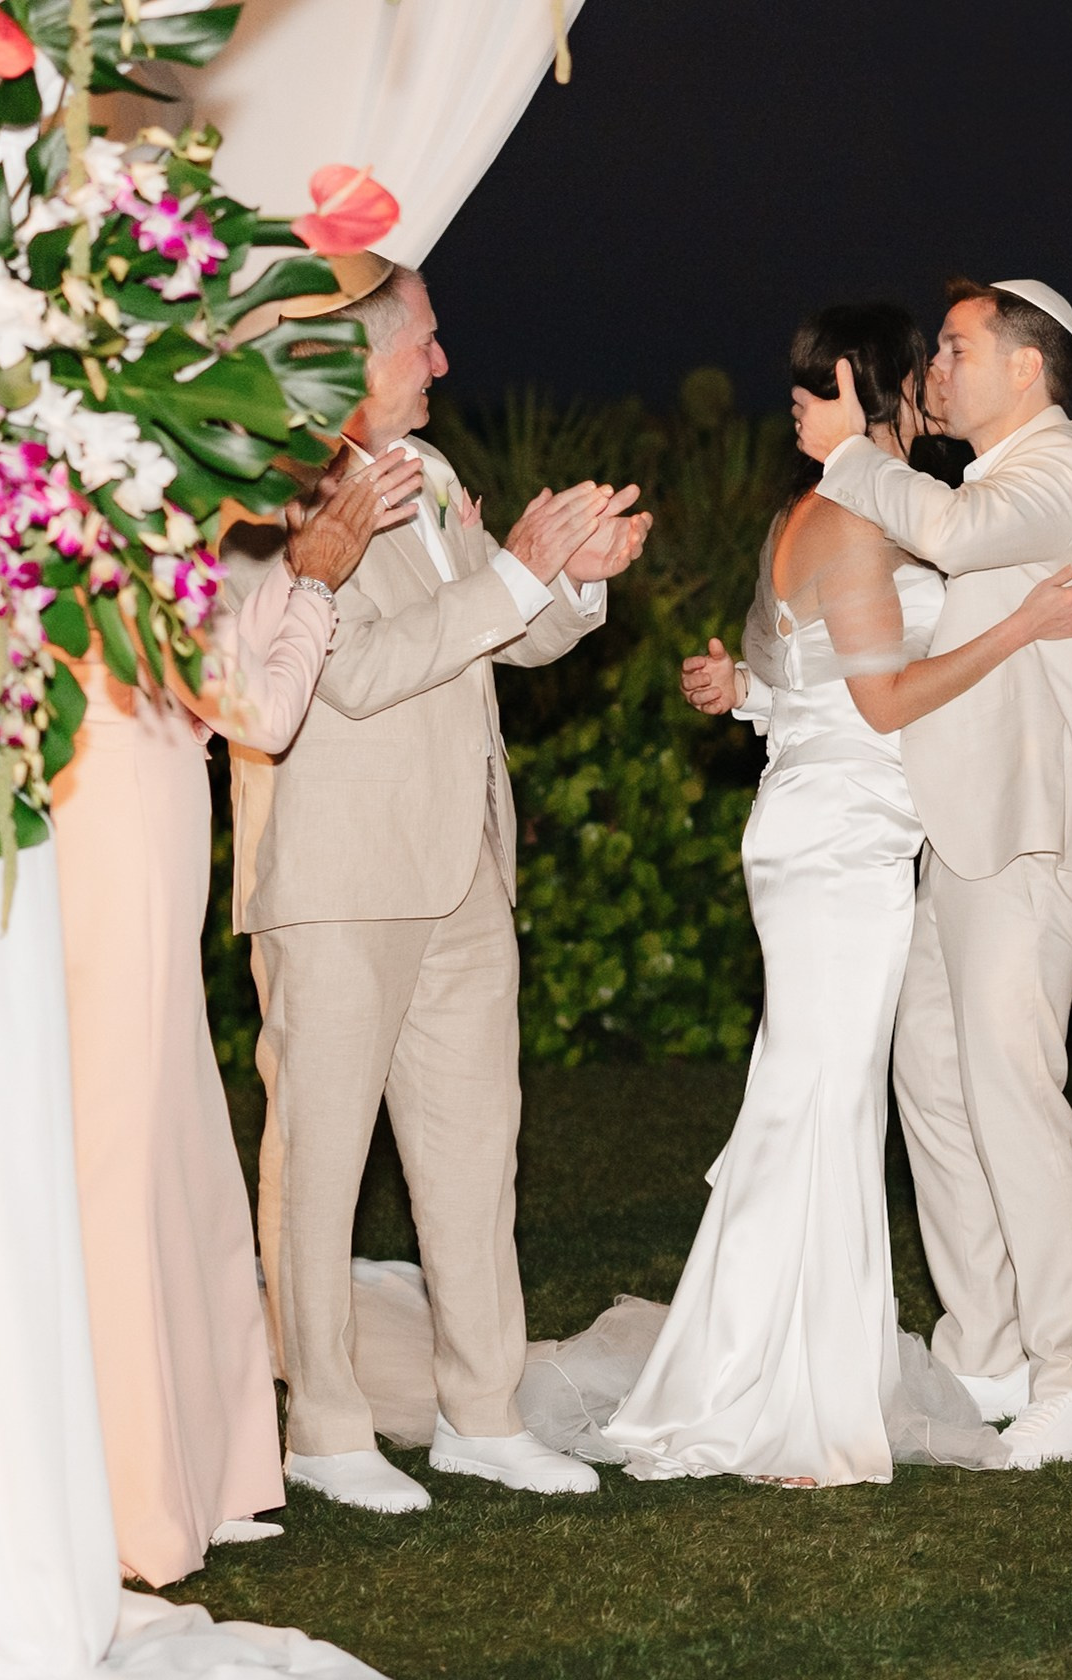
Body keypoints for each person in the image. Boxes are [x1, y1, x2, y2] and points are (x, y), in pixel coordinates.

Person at [599, 304, 1072, 1486]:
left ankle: (803, 1360)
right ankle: (785, 1387)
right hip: (849, 843)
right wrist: (1022, 621)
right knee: (825, 1103)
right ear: (888, 391)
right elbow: (880, 703)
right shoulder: (859, 507)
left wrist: (744, 694)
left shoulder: (877, 501)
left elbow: (814, 677)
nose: (940, 372)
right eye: (925, 360)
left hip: (856, 827)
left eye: (959, 351)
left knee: (825, 1094)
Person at [220, 255, 650, 1514]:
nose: (444, 364)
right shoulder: (271, 489)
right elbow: (352, 671)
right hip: (339, 873)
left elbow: (497, 636)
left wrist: (570, 574)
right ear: (355, 350)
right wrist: (512, 575)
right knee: (320, 1158)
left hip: (463, 860)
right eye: (427, 343)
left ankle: (482, 1412)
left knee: (476, 1149)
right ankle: (326, 1426)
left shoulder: (439, 477)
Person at [790, 278, 1072, 1469]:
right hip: (963, 833)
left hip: (1035, 832)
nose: (937, 366)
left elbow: (950, 537)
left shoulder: (1060, 466)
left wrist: (846, 452)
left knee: (1009, 1094)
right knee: (933, 1085)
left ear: (1026, 367)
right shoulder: (996, 476)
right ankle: (982, 1346)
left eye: (956, 347)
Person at [51, 446, 411, 1584]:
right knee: (121, 1147)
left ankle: (208, 1465)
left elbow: (216, 671)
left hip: (145, 814)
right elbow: (259, 710)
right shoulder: (119, 513)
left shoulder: (142, 513)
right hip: (113, 828)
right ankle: (131, 1490)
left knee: (178, 1144)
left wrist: (288, 573)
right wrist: (314, 579)